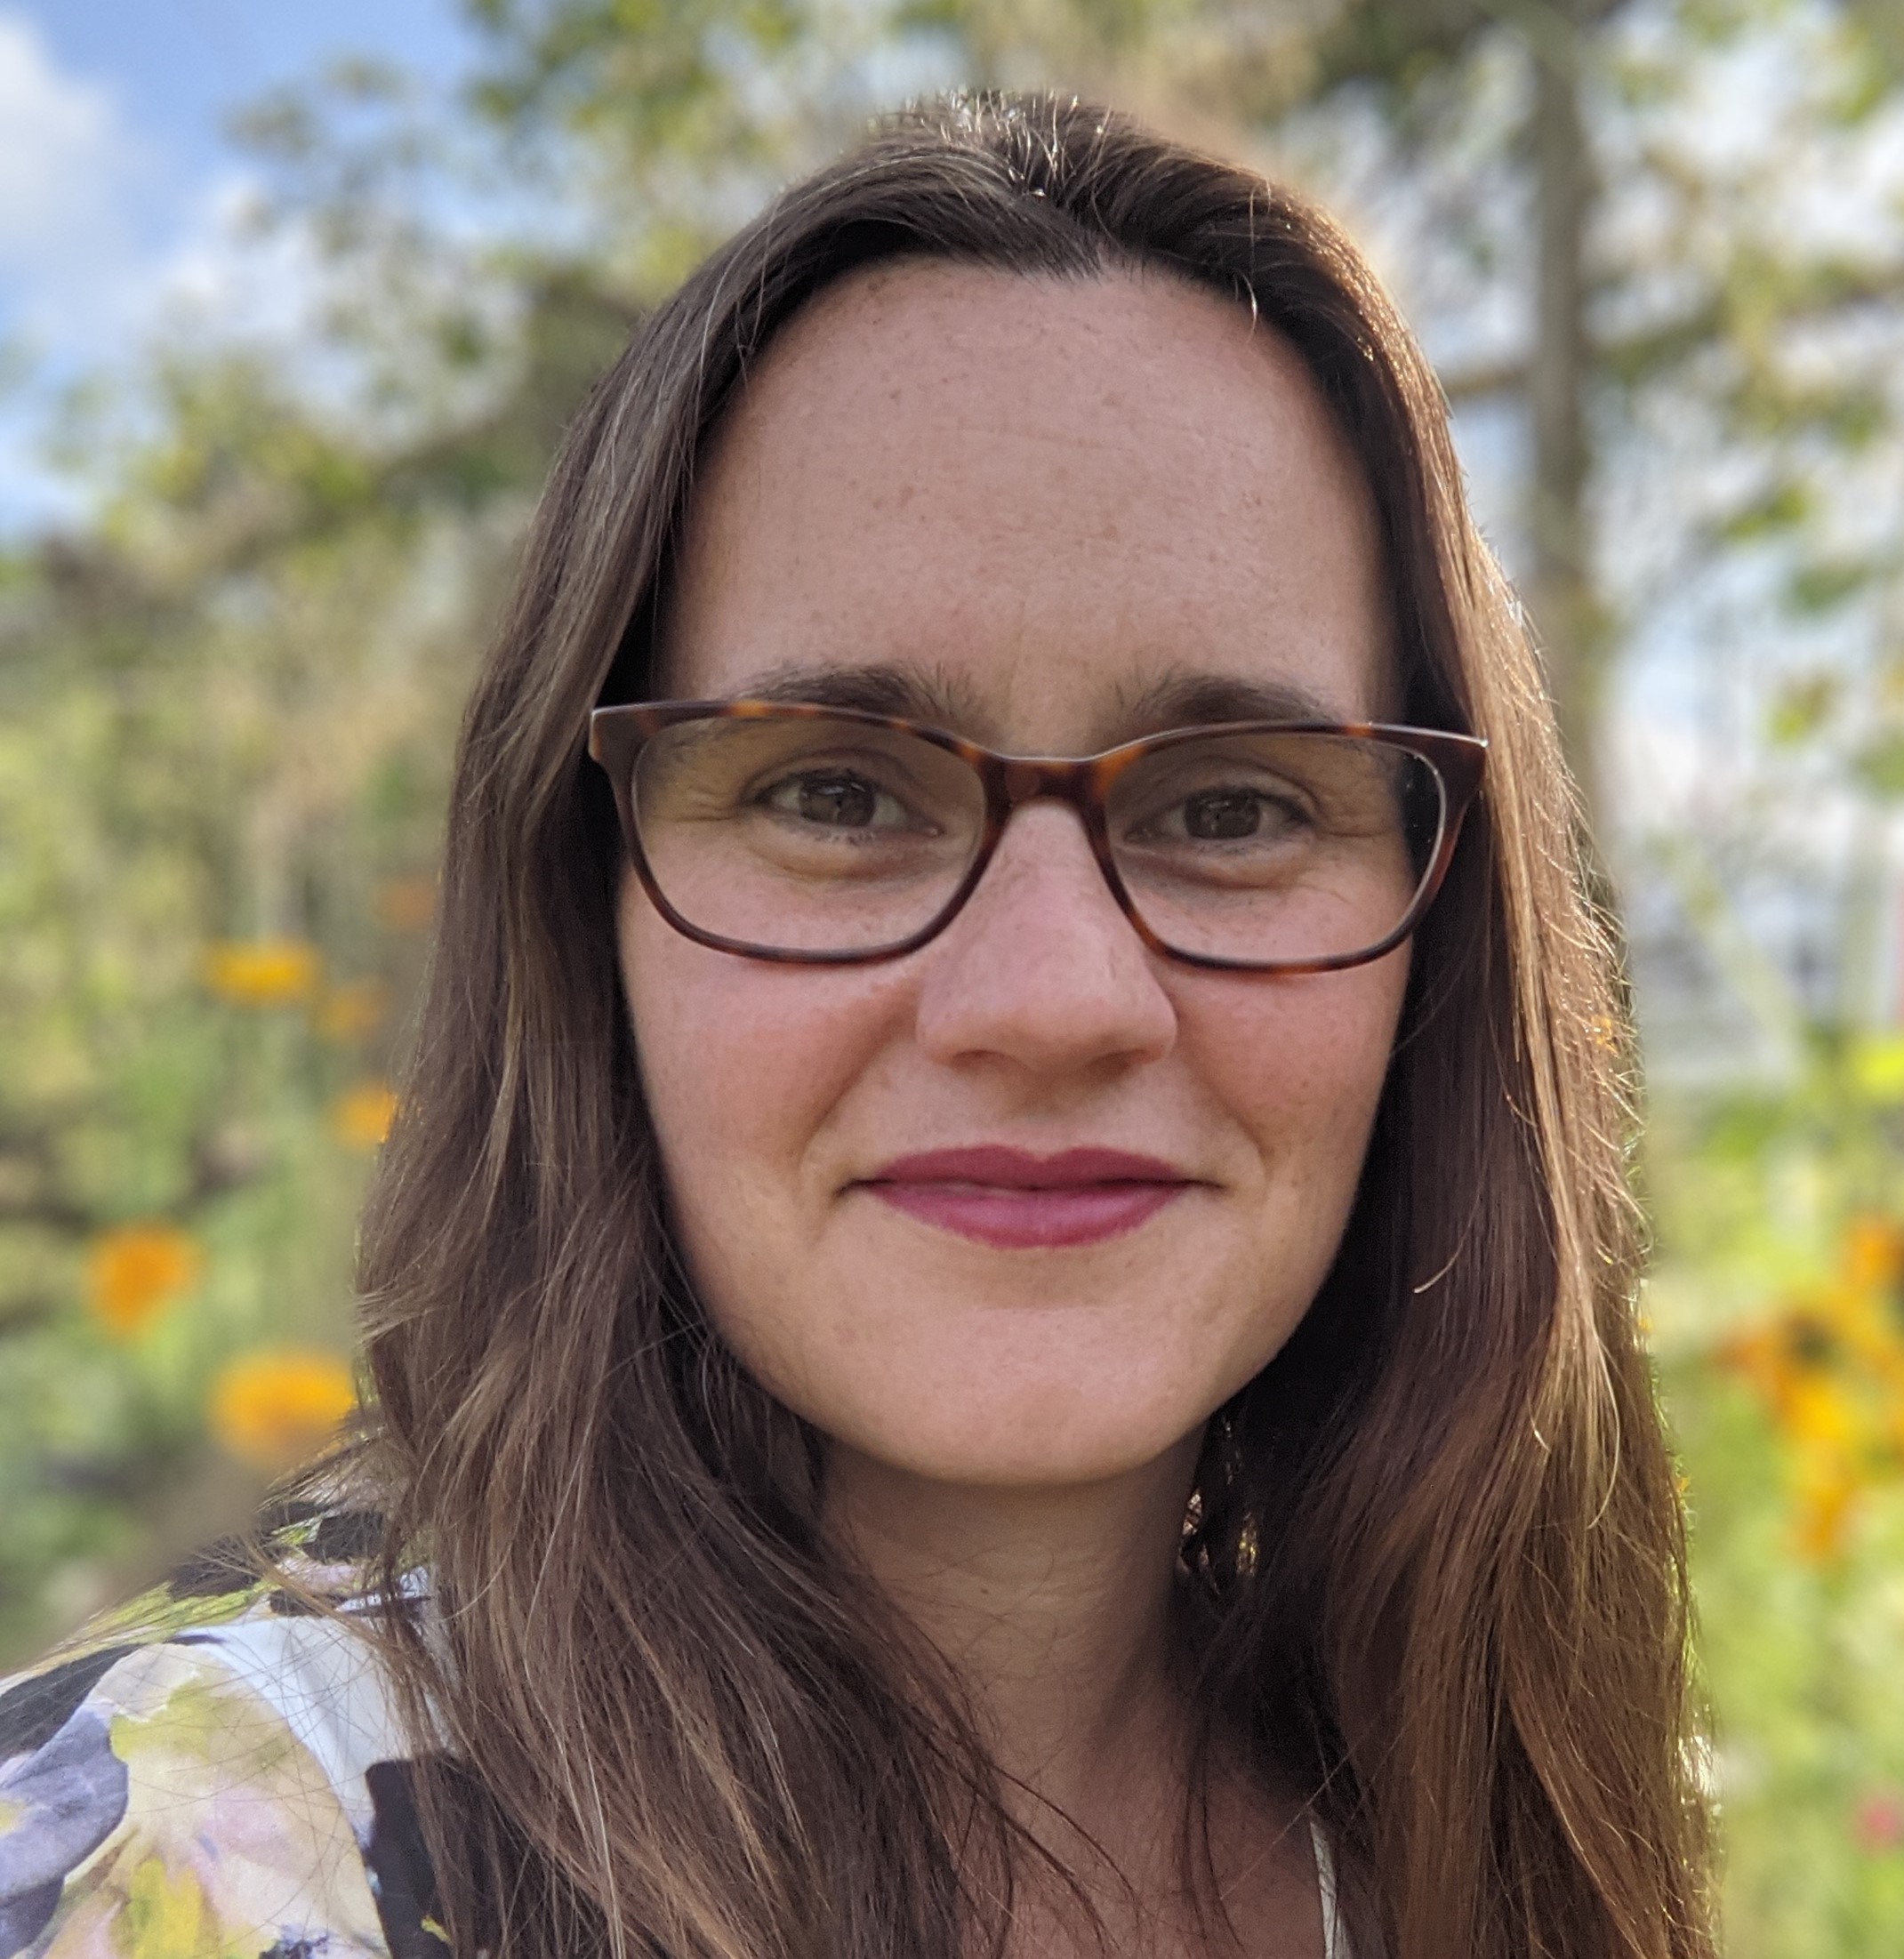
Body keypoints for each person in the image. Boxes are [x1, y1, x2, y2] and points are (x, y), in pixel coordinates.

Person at [0, 92, 1708, 1959]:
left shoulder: (1482, 1826)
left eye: (1232, 808)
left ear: (1437, 946)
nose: (1051, 999)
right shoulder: (168, 1862)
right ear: (591, 913)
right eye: (836, 795)